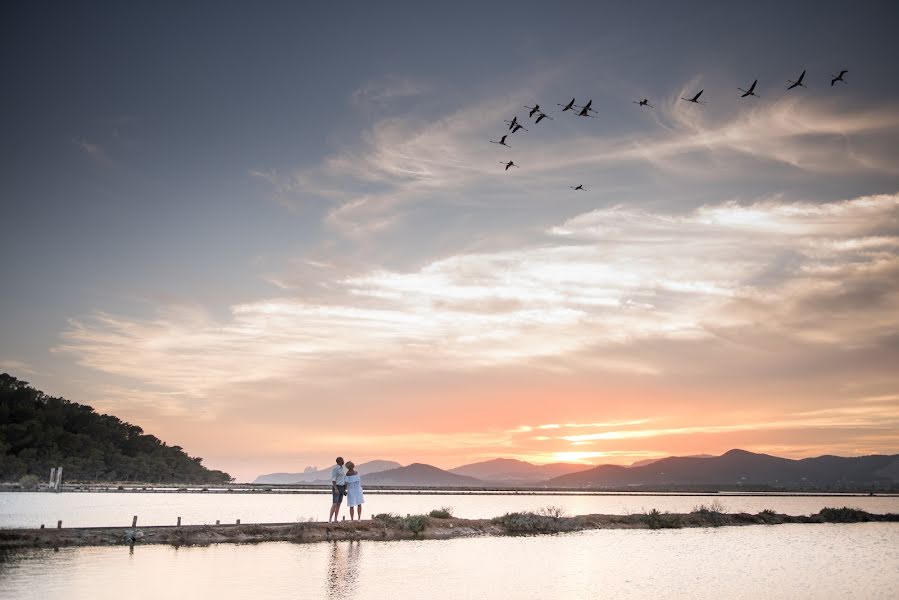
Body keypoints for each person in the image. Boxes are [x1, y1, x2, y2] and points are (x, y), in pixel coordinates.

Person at [328, 456, 346, 523]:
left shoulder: (342, 469)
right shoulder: (335, 469)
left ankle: (335, 519)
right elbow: (333, 479)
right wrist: (335, 488)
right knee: (334, 503)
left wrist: (344, 489)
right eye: (342, 460)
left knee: (339, 504)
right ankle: (330, 519)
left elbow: (343, 479)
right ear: (339, 461)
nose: (343, 461)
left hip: (342, 487)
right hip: (337, 487)